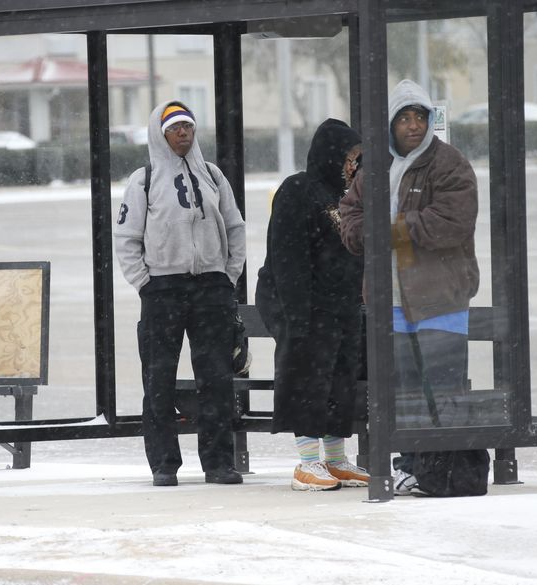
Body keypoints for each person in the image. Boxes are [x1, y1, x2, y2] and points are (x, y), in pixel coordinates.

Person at [340, 79, 480, 495]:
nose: (414, 125)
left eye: (421, 116)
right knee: (403, 392)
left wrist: (392, 230)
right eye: (405, 117)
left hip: (442, 303)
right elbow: (350, 222)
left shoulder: (449, 163)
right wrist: (383, 233)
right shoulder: (374, 171)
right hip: (390, 305)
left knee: (442, 390)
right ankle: (410, 465)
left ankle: (444, 471)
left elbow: (452, 223)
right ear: (390, 124)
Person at [115, 101, 246, 487]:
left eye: (188, 126)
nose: (183, 133)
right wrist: (146, 283)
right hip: (163, 291)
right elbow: (126, 238)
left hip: (210, 288)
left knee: (216, 380)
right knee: (159, 380)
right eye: (175, 128)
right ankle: (164, 464)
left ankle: (218, 462)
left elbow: (235, 229)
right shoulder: (144, 179)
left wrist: (227, 275)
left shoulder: (212, 176)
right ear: (160, 133)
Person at [255, 118, 370, 491]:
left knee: (340, 379)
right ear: (331, 155)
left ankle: (336, 460)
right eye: (349, 157)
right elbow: (287, 257)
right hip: (303, 304)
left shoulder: (350, 196)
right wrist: (296, 317)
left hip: (341, 306)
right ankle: (307, 461)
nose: (353, 165)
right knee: (308, 375)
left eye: (358, 158)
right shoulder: (298, 190)